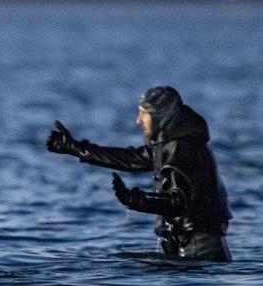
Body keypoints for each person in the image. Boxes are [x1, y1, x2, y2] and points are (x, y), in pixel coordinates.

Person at [46, 86, 231, 261]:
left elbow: (180, 203)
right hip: (191, 245)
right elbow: (129, 159)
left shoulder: (182, 148)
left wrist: (135, 200)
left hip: (199, 249)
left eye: (144, 114)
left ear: (161, 116)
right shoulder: (170, 144)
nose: (138, 120)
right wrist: (75, 148)